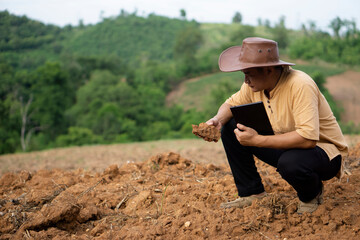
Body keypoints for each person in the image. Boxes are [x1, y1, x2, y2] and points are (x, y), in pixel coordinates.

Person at [206, 37, 348, 214]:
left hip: (323, 152)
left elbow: (307, 139)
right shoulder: (254, 85)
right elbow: (231, 105)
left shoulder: (300, 84)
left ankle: (311, 194)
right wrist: (217, 120)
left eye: (249, 74)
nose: (246, 81)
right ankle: (252, 192)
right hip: (287, 144)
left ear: (269, 69)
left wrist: (257, 140)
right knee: (230, 125)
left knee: (291, 163)